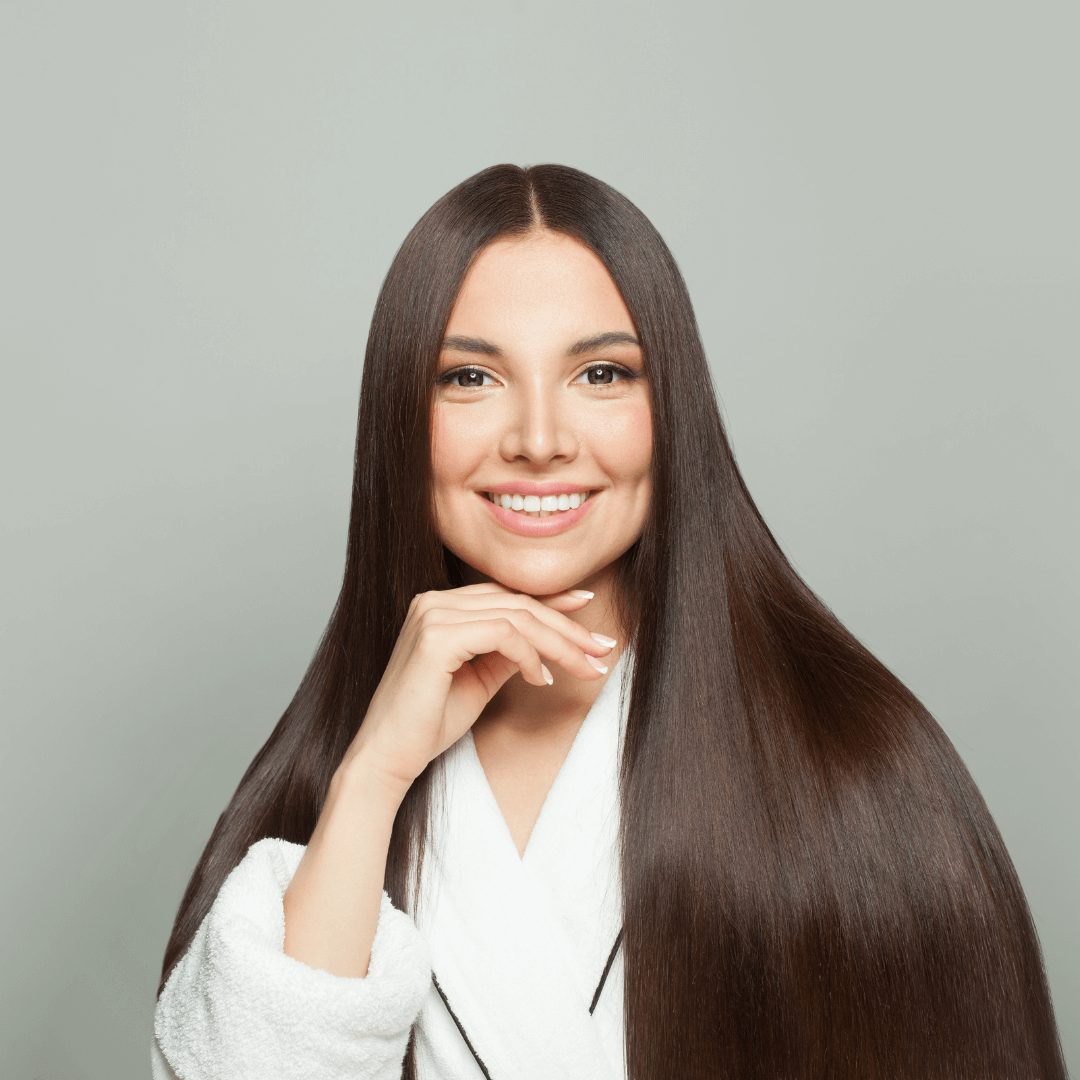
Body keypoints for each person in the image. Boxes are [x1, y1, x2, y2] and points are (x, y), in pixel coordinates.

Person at [153, 164, 1066, 1080]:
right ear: (400, 415)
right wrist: (374, 773)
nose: (540, 439)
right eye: (469, 376)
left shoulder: (862, 760)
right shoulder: (323, 798)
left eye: (601, 373)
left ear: (672, 408)